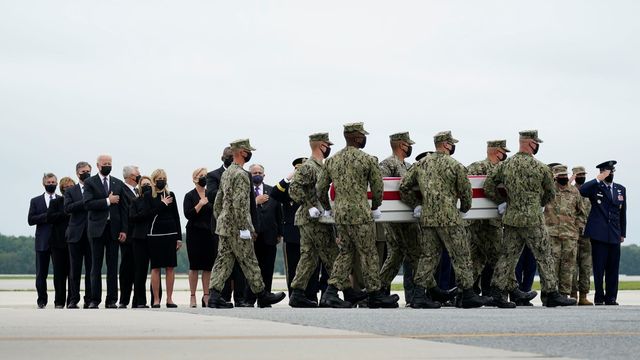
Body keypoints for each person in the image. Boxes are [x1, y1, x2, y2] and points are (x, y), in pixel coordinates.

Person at [484, 130, 576, 307]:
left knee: (507, 256)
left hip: (512, 217)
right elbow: (550, 193)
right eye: (536, 143)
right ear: (531, 143)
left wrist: (503, 201)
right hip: (533, 218)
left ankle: (497, 292)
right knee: (544, 255)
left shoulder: (505, 166)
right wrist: (536, 203)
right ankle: (550, 293)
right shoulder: (541, 168)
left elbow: (489, 186)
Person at [399, 131, 488, 309]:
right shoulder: (455, 165)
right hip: (449, 218)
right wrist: (463, 209)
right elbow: (466, 193)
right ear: (446, 144)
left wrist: (417, 205)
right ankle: (467, 294)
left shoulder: (421, 164)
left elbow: (404, 187)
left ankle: (418, 295)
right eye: (451, 143)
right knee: (461, 255)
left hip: (428, 218)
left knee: (428, 256)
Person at [317, 123, 399, 308]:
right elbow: (378, 187)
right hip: (361, 214)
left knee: (346, 252)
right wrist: (376, 206)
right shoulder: (368, 159)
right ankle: (374, 294)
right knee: (368, 253)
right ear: (358, 138)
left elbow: (321, 187)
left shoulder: (332, 160)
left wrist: (327, 207)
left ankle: (330, 293)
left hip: (341, 215)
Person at [207, 139, 285, 308]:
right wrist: (245, 228)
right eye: (249, 151)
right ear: (242, 152)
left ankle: (213, 295)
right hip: (237, 227)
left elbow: (218, 201)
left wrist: (222, 219)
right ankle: (262, 294)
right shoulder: (242, 175)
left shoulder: (227, 173)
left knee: (223, 261)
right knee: (249, 260)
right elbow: (241, 204)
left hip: (225, 225)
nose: (250, 154)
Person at [271, 157, 326, 303]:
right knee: (294, 267)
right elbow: (274, 193)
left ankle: (311, 295)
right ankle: (294, 296)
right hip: (293, 234)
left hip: (311, 231)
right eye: (298, 169)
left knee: (313, 266)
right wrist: (289, 177)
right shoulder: (289, 188)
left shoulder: (312, 188)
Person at [206, 146, 252, 306]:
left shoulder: (245, 174)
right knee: (224, 260)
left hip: (240, 224)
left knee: (238, 262)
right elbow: (212, 196)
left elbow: (250, 202)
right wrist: (228, 188)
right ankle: (222, 296)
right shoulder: (214, 175)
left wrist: (252, 226)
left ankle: (240, 298)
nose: (229, 158)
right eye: (227, 155)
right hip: (224, 225)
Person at [378, 132, 422, 300]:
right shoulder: (387, 165)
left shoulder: (408, 166)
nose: (410, 147)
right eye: (408, 144)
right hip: (395, 219)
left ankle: (414, 293)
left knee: (402, 256)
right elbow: (384, 188)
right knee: (400, 255)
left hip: (409, 218)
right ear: (401, 145)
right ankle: (380, 289)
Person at [83, 154, 129, 308]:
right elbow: (88, 203)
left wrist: (124, 229)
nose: (108, 165)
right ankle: (94, 300)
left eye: (110, 163)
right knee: (95, 267)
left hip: (114, 230)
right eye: (105, 163)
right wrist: (108, 201)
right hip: (96, 230)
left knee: (112, 267)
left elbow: (123, 209)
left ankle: (111, 300)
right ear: (98, 165)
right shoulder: (90, 182)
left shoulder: (117, 183)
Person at [579, 160, 626, 305]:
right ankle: (599, 296)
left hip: (614, 234)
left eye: (611, 172)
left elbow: (623, 212)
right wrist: (598, 179)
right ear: (601, 173)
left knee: (613, 267)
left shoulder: (620, 189)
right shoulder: (595, 187)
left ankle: (611, 297)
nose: (609, 174)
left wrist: (622, 233)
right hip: (598, 234)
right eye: (606, 172)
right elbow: (582, 190)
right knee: (599, 268)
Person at [467, 140, 510, 297]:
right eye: (503, 151)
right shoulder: (482, 168)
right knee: (499, 257)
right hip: (485, 222)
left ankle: (464, 292)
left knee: (478, 259)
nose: (504, 155)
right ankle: (505, 292)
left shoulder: (476, 166)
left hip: (482, 221)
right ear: (497, 152)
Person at [544, 165, 587, 299]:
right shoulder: (547, 191)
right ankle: (548, 294)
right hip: (552, 234)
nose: (564, 178)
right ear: (555, 177)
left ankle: (564, 295)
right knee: (551, 265)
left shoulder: (574, 191)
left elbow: (582, 212)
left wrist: (577, 227)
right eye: (560, 176)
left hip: (570, 235)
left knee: (568, 267)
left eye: (565, 176)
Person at [243, 164, 283, 306]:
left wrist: (279, 233)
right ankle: (249, 299)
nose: (257, 174)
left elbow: (278, 213)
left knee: (267, 269)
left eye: (260, 172)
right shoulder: (245, 192)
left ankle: (265, 299)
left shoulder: (272, 191)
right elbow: (241, 210)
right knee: (252, 269)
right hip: (252, 236)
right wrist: (256, 201)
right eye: (254, 173)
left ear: (264, 175)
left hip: (269, 236)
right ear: (249, 175)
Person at [146, 169, 182, 308]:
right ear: (154, 181)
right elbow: (149, 214)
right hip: (154, 235)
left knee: (170, 268)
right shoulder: (149, 195)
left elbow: (176, 216)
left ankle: (169, 299)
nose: (162, 180)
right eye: (159, 178)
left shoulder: (170, 194)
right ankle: (156, 299)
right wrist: (162, 204)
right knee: (155, 268)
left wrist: (179, 237)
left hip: (170, 234)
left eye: (164, 178)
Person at [184, 167, 215, 307]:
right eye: (201, 175)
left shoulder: (211, 194)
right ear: (195, 178)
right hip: (194, 233)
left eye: (205, 175)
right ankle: (192, 296)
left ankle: (206, 295)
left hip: (209, 233)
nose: (204, 178)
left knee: (208, 267)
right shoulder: (189, 195)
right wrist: (199, 205)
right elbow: (188, 215)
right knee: (194, 266)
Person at [64, 162, 93, 309]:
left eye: (88, 171)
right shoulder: (71, 191)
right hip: (75, 234)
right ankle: (73, 299)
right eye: (83, 171)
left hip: (92, 235)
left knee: (90, 270)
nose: (86, 173)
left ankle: (89, 299)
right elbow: (68, 208)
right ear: (77, 173)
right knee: (74, 270)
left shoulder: (95, 188)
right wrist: (85, 201)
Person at [27, 172, 59, 308]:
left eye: (53, 183)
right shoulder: (35, 201)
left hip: (58, 242)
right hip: (42, 242)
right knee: (41, 274)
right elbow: (30, 220)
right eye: (49, 183)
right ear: (44, 184)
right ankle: (42, 300)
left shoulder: (61, 199)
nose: (51, 185)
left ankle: (59, 300)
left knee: (59, 273)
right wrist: (46, 216)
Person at [47, 177, 74, 308]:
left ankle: (71, 300)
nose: (68, 189)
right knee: (59, 274)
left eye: (71, 187)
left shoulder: (79, 202)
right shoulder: (56, 202)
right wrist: (66, 212)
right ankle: (59, 301)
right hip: (57, 242)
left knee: (73, 273)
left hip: (74, 242)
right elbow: (50, 217)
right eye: (66, 187)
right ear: (62, 189)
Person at [129, 176, 154, 308]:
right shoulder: (135, 201)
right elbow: (133, 217)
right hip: (139, 238)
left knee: (155, 270)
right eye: (143, 184)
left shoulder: (156, 200)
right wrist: (145, 211)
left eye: (148, 184)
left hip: (153, 236)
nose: (146, 187)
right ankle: (140, 301)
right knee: (140, 271)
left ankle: (155, 300)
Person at [118, 165, 141, 308]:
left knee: (138, 268)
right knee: (127, 268)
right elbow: (122, 214)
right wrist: (123, 231)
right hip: (128, 235)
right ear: (130, 176)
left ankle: (137, 299)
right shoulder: (122, 190)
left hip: (139, 234)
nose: (139, 176)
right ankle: (124, 299)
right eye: (137, 174)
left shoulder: (139, 191)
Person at [571, 166, 593, 305]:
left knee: (585, 266)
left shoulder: (591, 192)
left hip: (587, 234)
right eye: (579, 174)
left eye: (583, 174)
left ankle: (583, 295)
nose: (582, 176)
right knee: (572, 266)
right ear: (574, 176)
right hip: (572, 233)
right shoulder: (570, 192)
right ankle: (573, 294)